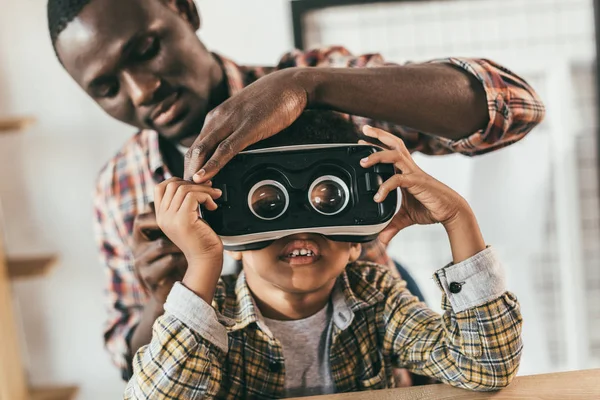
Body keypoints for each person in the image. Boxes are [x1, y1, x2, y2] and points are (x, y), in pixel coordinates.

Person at [47, 0, 543, 380]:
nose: (141, 90)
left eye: (146, 49)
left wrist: (311, 86)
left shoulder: (322, 90)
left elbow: (515, 106)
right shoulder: (119, 188)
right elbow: (130, 366)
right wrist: (165, 301)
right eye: (107, 88)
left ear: (184, 9)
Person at [124, 119, 523, 398]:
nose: (300, 230)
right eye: (267, 203)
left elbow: (486, 366)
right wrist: (202, 262)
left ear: (358, 241)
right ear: (233, 233)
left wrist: (458, 218)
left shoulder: (375, 298)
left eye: (329, 199)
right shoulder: (213, 317)